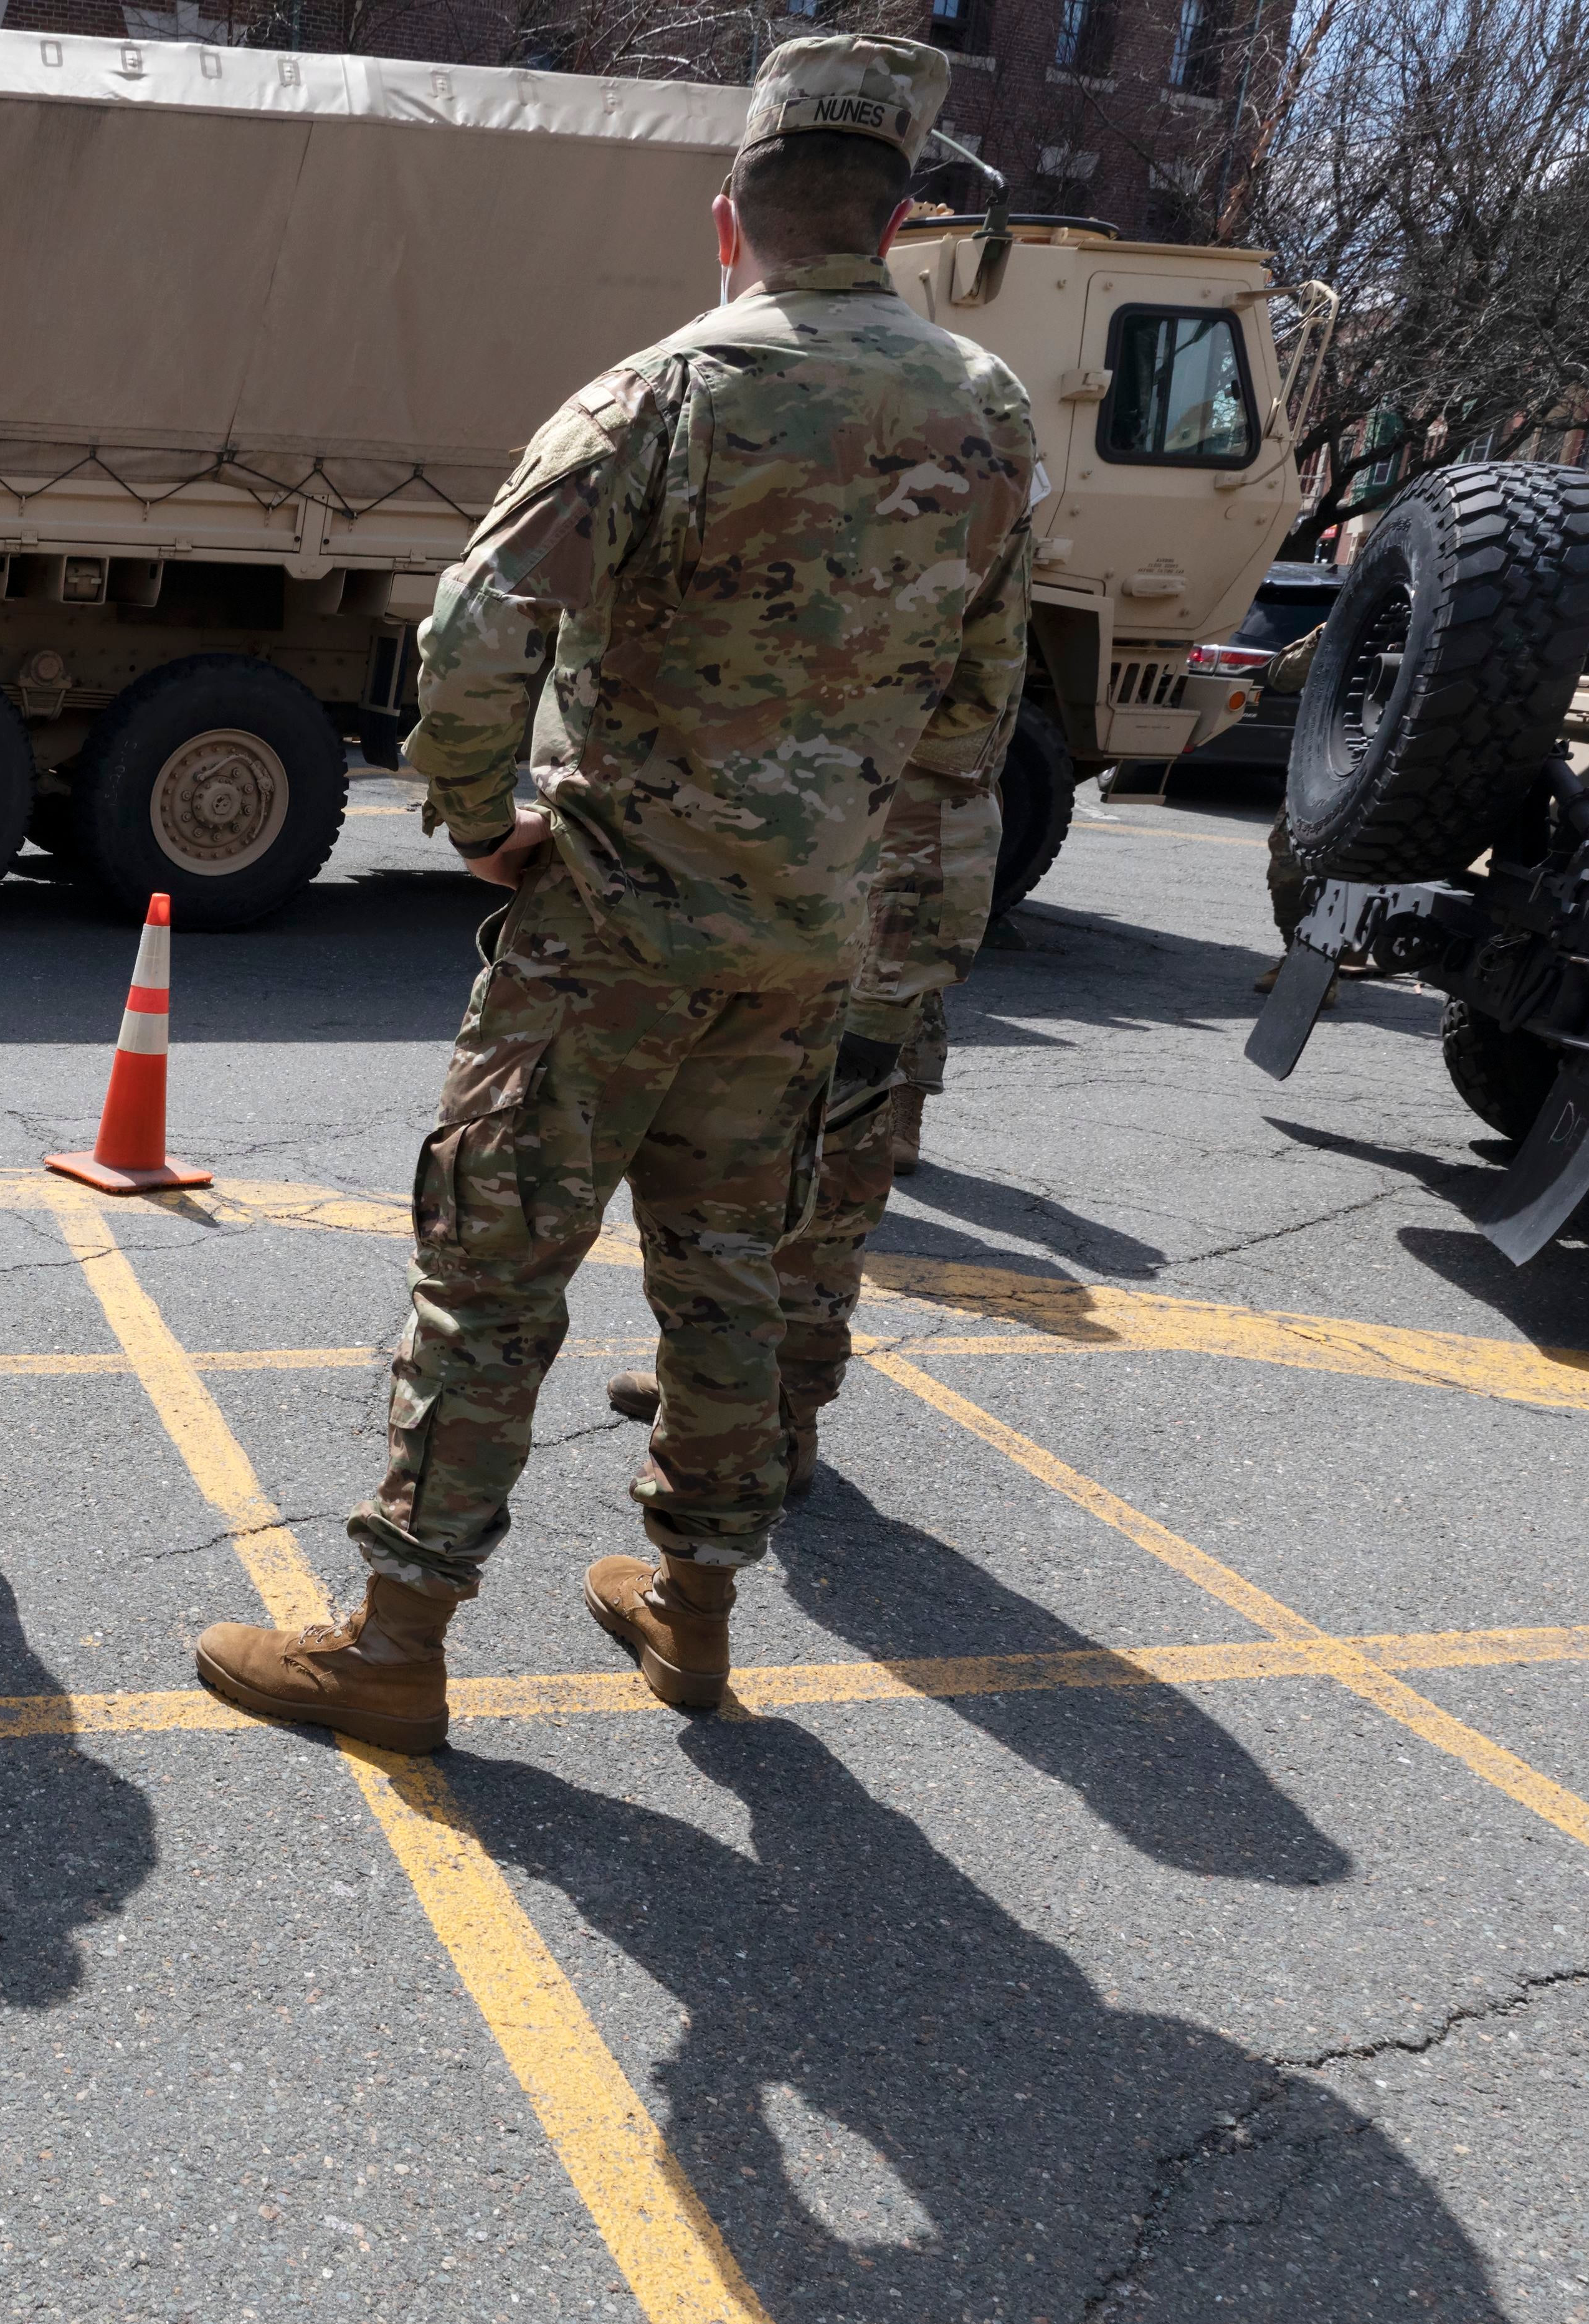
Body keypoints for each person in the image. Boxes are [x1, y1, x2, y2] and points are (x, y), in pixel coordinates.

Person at [192, 34, 1035, 1746]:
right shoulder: (988, 410)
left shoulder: (661, 392)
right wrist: (855, 852)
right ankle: (697, 1610)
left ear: (731, 218)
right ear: (894, 217)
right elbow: (980, 701)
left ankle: (399, 1639)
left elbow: (476, 630)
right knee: (730, 1271)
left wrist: (477, 814)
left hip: (613, 932)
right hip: (807, 938)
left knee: (494, 1267)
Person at [607, 751, 1000, 1491]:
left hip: (852, 946)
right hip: (760, 913)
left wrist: (883, 1004)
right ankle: (716, 1394)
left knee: (819, 1196)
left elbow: (945, 784)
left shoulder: (925, 635)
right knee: (716, 1182)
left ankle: (778, 1424)